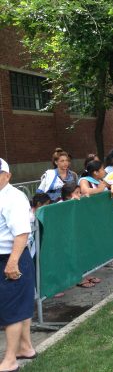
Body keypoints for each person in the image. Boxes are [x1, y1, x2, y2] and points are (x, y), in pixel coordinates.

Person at [0, 158, 37, 372]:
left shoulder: (13, 197)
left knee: (11, 309)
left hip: (10, 257)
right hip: (8, 257)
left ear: (7, 175)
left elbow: (22, 232)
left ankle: (10, 359)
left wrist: (13, 262)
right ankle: (26, 347)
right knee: (18, 306)